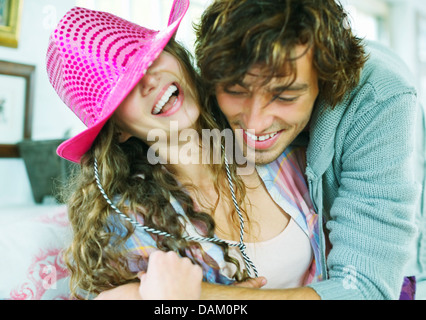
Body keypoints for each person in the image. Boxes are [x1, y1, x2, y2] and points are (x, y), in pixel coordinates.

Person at [47, 0, 323, 300]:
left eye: (149, 57)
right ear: (118, 129)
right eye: (123, 88)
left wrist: (207, 294)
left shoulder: (270, 136)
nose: (149, 79)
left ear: (176, 56)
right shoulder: (130, 220)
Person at [192, 0, 424, 300]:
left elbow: (365, 287)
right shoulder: (212, 80)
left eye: (285, 97)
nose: (255, 122)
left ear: (324, 82)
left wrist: (201, 298)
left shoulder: (380, 99)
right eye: (236, 91)